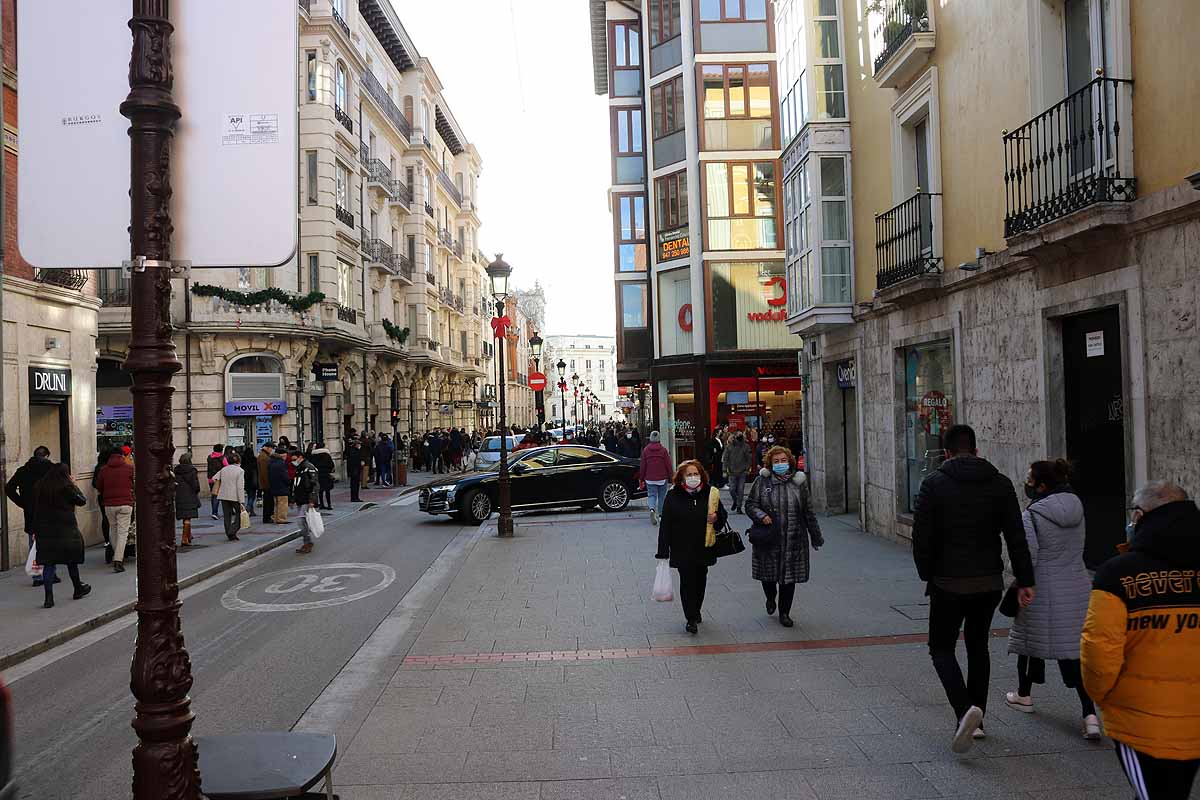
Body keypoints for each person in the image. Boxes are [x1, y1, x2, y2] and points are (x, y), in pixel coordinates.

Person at [912, 423, 1036, 754]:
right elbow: (1015, 536)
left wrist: (928, 573)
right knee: (977, 645)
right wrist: (1025, 580)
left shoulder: (933, 484)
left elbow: (921, 537)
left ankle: (964, 708)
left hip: (947, 581)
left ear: (947, 452)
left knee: (941, 648)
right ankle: (977, 721)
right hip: (988, 582)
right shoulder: (1000, 483)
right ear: (977, 450)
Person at [1082, 481, 1200, 799]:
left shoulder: (1117, 575)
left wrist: (1102, 697)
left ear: (1140, 515)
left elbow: (1098, 652)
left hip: (1140, 724)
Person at [1004, 459, 1099, 740]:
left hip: (1041, 587)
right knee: (1072, 651)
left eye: (1030, 480)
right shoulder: (1077, 507)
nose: (1028, 484)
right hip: (1075, 584)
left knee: (1029, 641)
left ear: (1042, 486)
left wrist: (1016, 575)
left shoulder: (1032, 514)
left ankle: (1024, 695)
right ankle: (1090, 714)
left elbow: (1027, 556)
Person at [745, 445, 823, 629]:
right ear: (770, 464)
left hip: (794, 539)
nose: (780, 464)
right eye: (776, 461)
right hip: (768, 539)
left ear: (790, 462)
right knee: (769, 577)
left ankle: (784, 613)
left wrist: (816, 537)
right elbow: (750, 504)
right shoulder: (762, 482)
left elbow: (808, 512)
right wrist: (761, 516)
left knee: (789, 578)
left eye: (783, 460)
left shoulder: (799, 483)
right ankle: (770, 597)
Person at [655, 460, 727, 634]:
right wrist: (663, 551)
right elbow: (666, 525)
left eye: (696, 474)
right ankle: (690, 618)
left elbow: (722, 518)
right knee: (687, 582)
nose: (693, 477)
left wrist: (716, 519)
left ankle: (696, 609)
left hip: (704, 546)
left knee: (701, 580)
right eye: (689, 474)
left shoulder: (711, 493)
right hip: (682, 548)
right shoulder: (673, 496)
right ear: (681, 478)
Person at [29, 463, 91, 608]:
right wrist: (74, 484)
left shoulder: (39, 487)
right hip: (66, 530)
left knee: (48, 564)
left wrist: (34, 530)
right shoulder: (66, 487)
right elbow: (82, 500)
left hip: (45, 531)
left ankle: (48, 598)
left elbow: (35, 510)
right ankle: (77, 588)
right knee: (71, 561)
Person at [6, 445, 55, 586]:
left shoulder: (23, 470)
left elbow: (8, 488)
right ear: (46, 456)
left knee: (34, 544)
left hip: (31, 512)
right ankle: (50, 573)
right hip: (49, 511)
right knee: (51, 543)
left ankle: (37, 576)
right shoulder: (51, 469)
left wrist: (22, 502)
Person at [94, 445, 136, 573]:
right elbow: (135, 484)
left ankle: (117, 555)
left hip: (109, 504)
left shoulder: (103, 470)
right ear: (122, 456)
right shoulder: (129, 468)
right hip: (125, 503)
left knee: (113, 530)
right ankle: (118, 559)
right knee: (123, 532)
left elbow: (99, 486)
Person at [639, 431, 673, 526]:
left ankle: (652, 509)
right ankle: (661, 515)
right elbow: (668, 465)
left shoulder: (646, 450)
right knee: (662, 497)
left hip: (649, 478)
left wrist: (641, 478)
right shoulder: (663, 451)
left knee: (651, 495)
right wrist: (672, 477)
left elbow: (643, 466)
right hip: (662, 478)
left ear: (650, 439)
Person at [212, 452, 245, 541]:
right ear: (239, 460)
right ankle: (233, 530)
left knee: (227, 515)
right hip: (235, 496)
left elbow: (214, 478)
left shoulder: (224, 469)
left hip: (223, 495)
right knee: (239, 514)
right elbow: (240, 487)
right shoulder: (240, 471)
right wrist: (241, 500)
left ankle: (229, 532)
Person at [291, 449, 320, 554]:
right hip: (300, 498)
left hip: (306, 499)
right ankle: (307, 542)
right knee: (303, 522)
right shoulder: (299, 468)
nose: (293, 461)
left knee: (301, 521)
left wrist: (312, 500)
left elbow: (315, 485)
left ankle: (307, 542)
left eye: (294, 459)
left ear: (300, 457)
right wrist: (293, 499)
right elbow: (296, 485)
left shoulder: (309, 468)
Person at [91, 446, 114, 563]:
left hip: (103, 495)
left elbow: (95, 483)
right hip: (112, 495)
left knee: (105, 516)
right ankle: (111, 540)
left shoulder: (99, 467)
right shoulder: (107, 468)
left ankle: (107, 540)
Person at [722, 432, 753, 514]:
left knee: (740, 490)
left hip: (742, 472)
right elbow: (725, 459)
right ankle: (735, 501)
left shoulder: (746, 446)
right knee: (732, 489)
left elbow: (749, 459)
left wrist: (747, 469)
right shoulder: (729, 447)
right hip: (732, 472)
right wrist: (724, 470)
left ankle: (739, 507)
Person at [174, 453, 201, 546]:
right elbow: (195, 485)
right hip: (190, 496)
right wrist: (197, 490)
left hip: (179, 495)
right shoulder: (192, 470)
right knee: (187, 518)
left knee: (184, 516)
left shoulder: (176, 470)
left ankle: (188, 535)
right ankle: (184, 539)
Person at [267, 446, 291, 524]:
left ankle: (276, 518)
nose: (285, 457)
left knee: (277, 504)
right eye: (284, 456)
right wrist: (288, 482)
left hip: (274, 486)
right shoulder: (281, 464)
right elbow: (285, 476)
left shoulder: (271, 462)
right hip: (282, 487)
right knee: (283, 504)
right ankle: (281, 519)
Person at [309, 442, 335, 510]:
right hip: (326, 474)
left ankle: (322, 504)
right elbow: (331, 464)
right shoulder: (326, 455)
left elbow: (311, 465)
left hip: (318, 474)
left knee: (320, 490)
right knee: (327, 490)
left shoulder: (313, 456)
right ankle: (329, 504)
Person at [205, 444, 227, 520]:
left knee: (214, 495)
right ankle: (215, 512)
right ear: (221, 450)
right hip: (219, 479)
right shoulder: (222, 457)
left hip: (210, 478)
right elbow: (226, 467)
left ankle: (214, 511)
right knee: (220, 496)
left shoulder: (209, 457)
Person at [257, 442, 275, 524]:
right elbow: (264, 473)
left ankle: (268, 517)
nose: (272, 450)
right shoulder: (264, 457)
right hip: (266, 483)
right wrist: (268, 484)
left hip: (266, 483)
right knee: (268, 501)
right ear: (267, 448)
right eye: (271, 448)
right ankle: (267, 517)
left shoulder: (264, 455)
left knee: (269, 501)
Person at [241, 444, 259, 515]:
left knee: (249, 495)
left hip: (246, 480)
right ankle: (248, 507)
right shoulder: (254, 460)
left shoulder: (243, 460)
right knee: (252, 496)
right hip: (253, 480)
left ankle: (252, 511)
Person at [345, 436, 363, 501]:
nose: (359, 445)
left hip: (356, 468)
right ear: (356, 445)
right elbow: (354, 460)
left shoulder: (356, 450)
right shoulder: (353, 451)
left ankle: (356, 497)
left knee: (356, 483)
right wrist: (360, 462)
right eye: (359, 444)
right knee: (354, 483)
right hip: (354, 469)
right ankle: (354, 497)